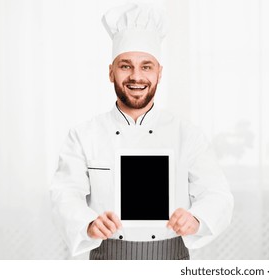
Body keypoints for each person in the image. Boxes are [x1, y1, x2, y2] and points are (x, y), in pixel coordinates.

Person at [50, 3, 233, 260]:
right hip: (108, 257)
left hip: (170, 256)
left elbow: (217, 193)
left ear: (159, 73)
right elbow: (65, 193)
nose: (136, 76)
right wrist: (88, 223)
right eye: (126, 66)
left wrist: (197, 218)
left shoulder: (187, 134)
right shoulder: (83, 135)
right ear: (111, 73)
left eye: (146, 66)